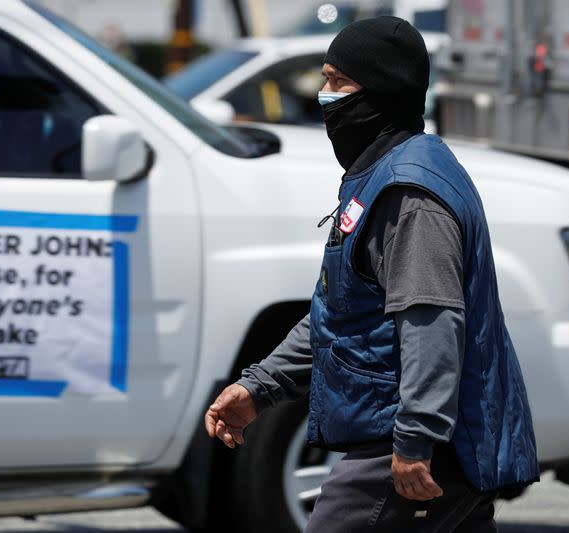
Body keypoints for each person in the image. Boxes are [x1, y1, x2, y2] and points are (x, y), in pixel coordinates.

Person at [204, 16, 539, 532]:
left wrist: (414, 441)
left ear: (381, 88)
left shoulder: (410, 195)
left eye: (338, 81)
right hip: (424, 444)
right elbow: (342, 315)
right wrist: (261, 387)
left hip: (413, 450)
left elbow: (432, 324)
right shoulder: (382, 176)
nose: (324, 96)